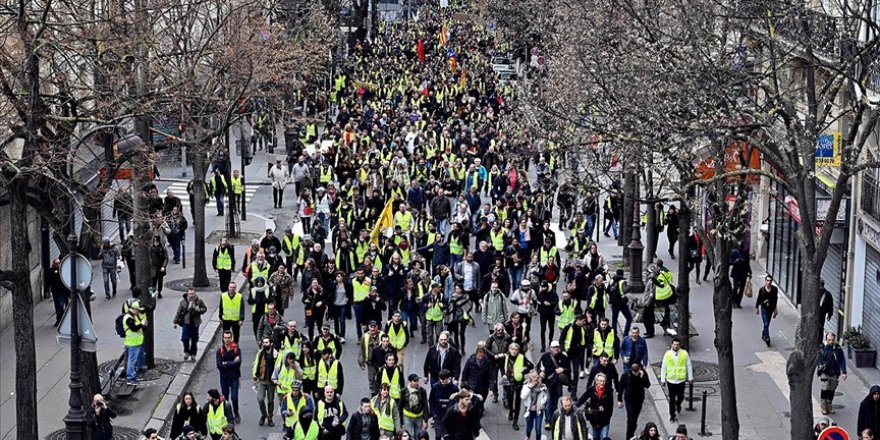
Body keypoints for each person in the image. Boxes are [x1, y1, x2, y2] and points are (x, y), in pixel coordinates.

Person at [660, 337, 693, 423]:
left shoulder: (684, 354)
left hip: (681, 380)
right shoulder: (667, 354)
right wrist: (663, 380)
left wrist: (690, 378)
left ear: (680, 345)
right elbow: (664, 367)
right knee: (671, 399)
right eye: (674, 344)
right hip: (671, 381)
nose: (676, 346)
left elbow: (688, 365)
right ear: (672, 345)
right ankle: (672, 415)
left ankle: (678, 404)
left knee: (681, 396)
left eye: (677, 345)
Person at [502, 342, 533, 430]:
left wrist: (523, 371)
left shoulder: (522, 357)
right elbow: (502, 366)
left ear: (518, 350)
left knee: (517, 402)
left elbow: (530, 366)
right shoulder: (506, 357)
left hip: (518, 382)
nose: (514, 351)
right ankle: (511, 411)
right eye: (512, 349)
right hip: (507, 381)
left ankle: (515, 421)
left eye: (515, 350)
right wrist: (503, 374)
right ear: (509, 350)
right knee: (509, 399)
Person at [816, 331, 847, 415]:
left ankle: (829, 404)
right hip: (825, 372)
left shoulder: (838, 348)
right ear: (826, 339)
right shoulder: (823, 347)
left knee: (831, 390)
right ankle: (823, 406)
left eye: (832, 340)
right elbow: (819, 359)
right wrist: (820, 366)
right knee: (824, 389)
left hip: (834, 372)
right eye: (829, 340)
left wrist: (844, 371)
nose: (831, 341)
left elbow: (842, 360)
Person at [173, 288, 208, 362]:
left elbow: (205, 309)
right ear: (187, 294)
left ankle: (193, 354)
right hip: (186, 323)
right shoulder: (183, 302)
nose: (192, 295)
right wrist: (175, 322)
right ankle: (186, 351)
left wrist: (199, 310)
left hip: (195, 323)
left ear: (195, 294)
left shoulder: (199, 301)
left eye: (193, 294)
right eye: (190, 294)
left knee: (194, 339)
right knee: (185, 338)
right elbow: (178, 312)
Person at [576, 372, 613, 440]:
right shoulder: (591, 390)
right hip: (594, 419)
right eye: (600, 381)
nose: (602, 383)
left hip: (605, 419)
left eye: (603, 381)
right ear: (596, 381)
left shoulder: (609, 391)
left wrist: (605, 409)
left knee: (604, 437)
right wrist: (574, 407)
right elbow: (583, 398)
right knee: (596, 437)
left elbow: (610, 406)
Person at [618, 362, 651, 439]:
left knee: (634, 419)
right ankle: (628, 437)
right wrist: (619, 400)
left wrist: (642, 378)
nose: (636, 374)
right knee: (630, 419)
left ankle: (631, 433)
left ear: (639, 369)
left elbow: (647, 385)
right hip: (629, 400)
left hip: (639, 399)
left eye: (637, 372)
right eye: (634, 372)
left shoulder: (643, 374)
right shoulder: (626, 376)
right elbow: (621, 388)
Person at [216, 330, 242, 423]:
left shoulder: (236, 349)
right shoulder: (220, 351)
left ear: (231, 338)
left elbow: (238, 363)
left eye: (228, 338)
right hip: (224, 378)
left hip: (234, 377)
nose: (227, 340)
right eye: (225, 338)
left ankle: (236, 412)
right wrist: (232, 363)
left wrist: (225, 363)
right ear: (223, 338)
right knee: (225, 398)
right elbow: (219, 365)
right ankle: (227, 415)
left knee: (234, 397)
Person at [253, 337, 279, 426]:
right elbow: (256, 364)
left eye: (267, 342)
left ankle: (270, 417)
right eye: (264, 342)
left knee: (270, 400)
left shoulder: (276, 354)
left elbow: (278, 367)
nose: (264, 344)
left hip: (271, 381)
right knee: (260, 399)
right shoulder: (260, 353)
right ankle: (264, 415)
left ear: (271, 343)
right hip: (261, 380)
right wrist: (254, 378)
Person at [644, 261, 674, 338]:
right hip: (652, 300)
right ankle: (649, 331)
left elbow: (652, 293)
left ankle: (650, 332)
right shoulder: (657, 277)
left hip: (650, 301)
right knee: (648, 316)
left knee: (647, 316)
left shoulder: (653, 281)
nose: (647, 273)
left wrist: (648, 302)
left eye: (649, 272)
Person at [429, 369, 459, 440]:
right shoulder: (435, 387)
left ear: (448, 378)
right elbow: (431, 400)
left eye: (443, 379)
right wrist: (434, 413)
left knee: (448, 436)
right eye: (440, 379)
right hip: (438, 416)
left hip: (449, 416)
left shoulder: (454, 388)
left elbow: (457, 401)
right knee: (438, 435)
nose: (441, 381)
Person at [123, 301, 147, 385]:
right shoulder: (129, 317)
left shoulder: (133, 316)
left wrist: (142, 325)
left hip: (135, 342)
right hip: (132, 343)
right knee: (131, 361)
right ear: (134, 309)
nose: (139, 312)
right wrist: (141, 324)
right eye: (138, 310)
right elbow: (134, 328)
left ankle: (132, 377)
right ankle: (131, 378)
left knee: (132, 360)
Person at [521, 370, 548, 440]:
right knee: (529, 427)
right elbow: (523, 397)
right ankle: (528, 436)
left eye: (537, 377)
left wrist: (542, 403)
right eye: (533, 377)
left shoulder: (542, 387)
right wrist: (529, 388)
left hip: (538, 411)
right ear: (530, 377)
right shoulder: (526, 385)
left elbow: (545, 397)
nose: (535, 378)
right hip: (529, 411)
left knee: (538, 428)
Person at [754, 274, 779, 346]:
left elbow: (775, 300)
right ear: (765, 281)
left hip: (770, 309)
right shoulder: (762, 290)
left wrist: (775, 309)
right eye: (767, 280)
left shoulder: (774, 289)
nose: (769, 282)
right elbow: (759, 299)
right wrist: (756, 308)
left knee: (767, 323)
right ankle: (767, 338)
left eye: (770, 281)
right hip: (764, 308)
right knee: (766, 323)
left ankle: (764, 333)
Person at [46, 258, 69, 327]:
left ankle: (61, 318)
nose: (58, 265)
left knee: (61, 304)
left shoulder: (63, 270)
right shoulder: (50, 271)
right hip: (55, 291)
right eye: (56, 264)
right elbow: (48, 281)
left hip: (63, 291)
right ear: (53, 264)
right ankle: (59, 318)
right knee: (57, 305)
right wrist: (47, 290)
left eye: (59, 263)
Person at [150, 234, 169, 299]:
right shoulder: (151, 248)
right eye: (154, 241)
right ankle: (152, 293)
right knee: (153, 281)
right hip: (153, 268)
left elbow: (166, 258)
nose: (155, 242)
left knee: (160, 281)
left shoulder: (162, 248)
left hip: (160, 267)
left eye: (156, 241)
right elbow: (149, 257)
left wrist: (164, 266)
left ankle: (159, 291)